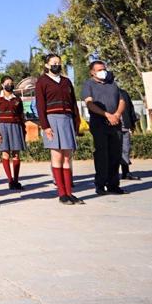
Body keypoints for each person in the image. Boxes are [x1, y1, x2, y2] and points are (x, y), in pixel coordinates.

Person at [34, 53, 83, 204]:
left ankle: (70, 192)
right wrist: (45, 126)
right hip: (52, 120)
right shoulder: (42, 82)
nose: (57, 65)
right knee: (57, 157)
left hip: (67, 119)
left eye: (59, 63)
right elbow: (40, 106)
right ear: (47, 65)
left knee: (67, 157)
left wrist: (76, 123)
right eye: (53, 63)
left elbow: (74, 103)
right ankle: (62, 193)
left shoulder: (67, 82)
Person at [82, 60, 126, 196]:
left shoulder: (112, 83)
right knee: (102, 155)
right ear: (92, 72)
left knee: (115, 154)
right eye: (99, 69)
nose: (103, 71)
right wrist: (106, 114)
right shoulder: (88, 84)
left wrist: (117, 114)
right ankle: (100, 185)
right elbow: (89, 103)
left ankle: (113, 185)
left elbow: (122, 100)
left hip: (115, 123)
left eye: (104, 69)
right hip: (99, 123)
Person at [0, 75, 26, 190]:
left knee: (16, 154)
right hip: (2, 126)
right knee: (5, 153)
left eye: (11, 83)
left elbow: (21, 115)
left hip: (16, 126)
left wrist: (23, 129)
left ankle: (16, 180)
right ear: (2, 85)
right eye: (7, 83)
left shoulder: (17, 98)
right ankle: (10, 180)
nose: (10, 85)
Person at [117, 85, 140, 181]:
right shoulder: (104, 93)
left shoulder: (123, 93)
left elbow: (130, 107)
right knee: (113, 152)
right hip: (112, 128)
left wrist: (132, 123)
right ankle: (112, 175)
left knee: (125, 150)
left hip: (125, 126)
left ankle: (126, 172)